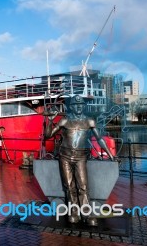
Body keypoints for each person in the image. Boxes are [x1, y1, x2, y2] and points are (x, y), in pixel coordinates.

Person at [44, 95, 116, 226]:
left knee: (83, 185)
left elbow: (99, 139)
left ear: (84, 106)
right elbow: (48, 135)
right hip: (64, 156)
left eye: (80, 104)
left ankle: (86, 213)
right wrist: (49, 121)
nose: (78, 107)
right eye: (75, 105)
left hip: (81, 157)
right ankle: (74, 212)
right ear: (71, 107)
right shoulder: (64, 121)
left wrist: (110, 155)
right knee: (69, 186)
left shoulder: (89, 121)